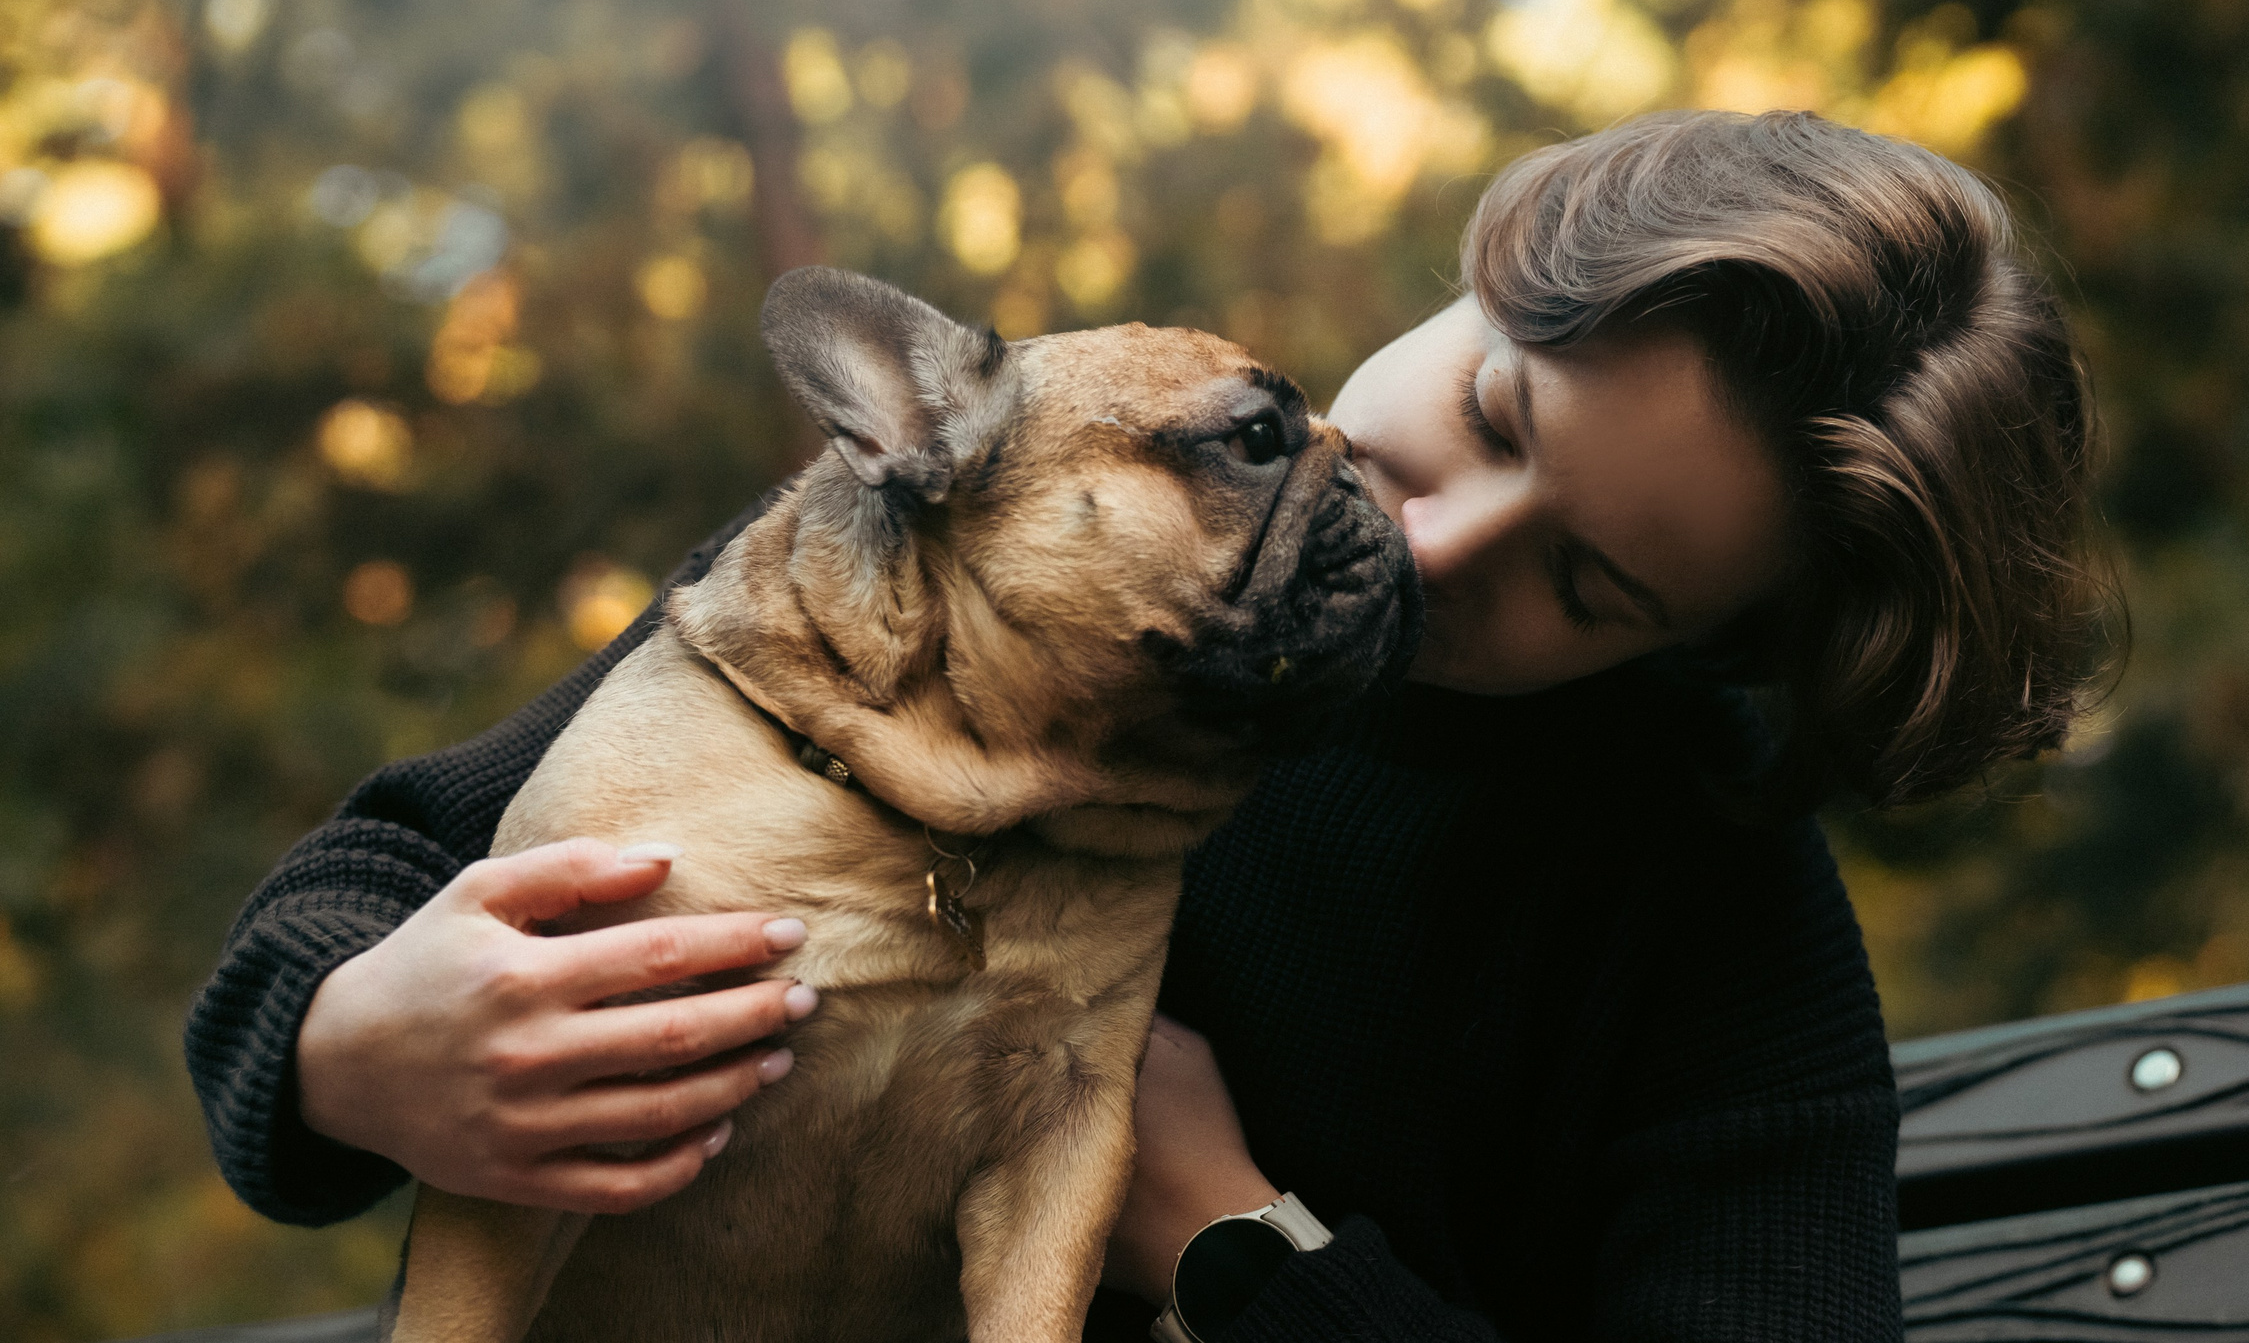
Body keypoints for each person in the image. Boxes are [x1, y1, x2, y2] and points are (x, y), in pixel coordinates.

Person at [187, 110, 2109, 1341]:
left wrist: (1227, 1228)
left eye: (1589, 588)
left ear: (1714, 648)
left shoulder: (1702, 916)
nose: (1438, 542)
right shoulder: (1030, 539)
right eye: (1496, 414)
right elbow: (373, 880)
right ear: (1486, 276)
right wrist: (360, 1046)